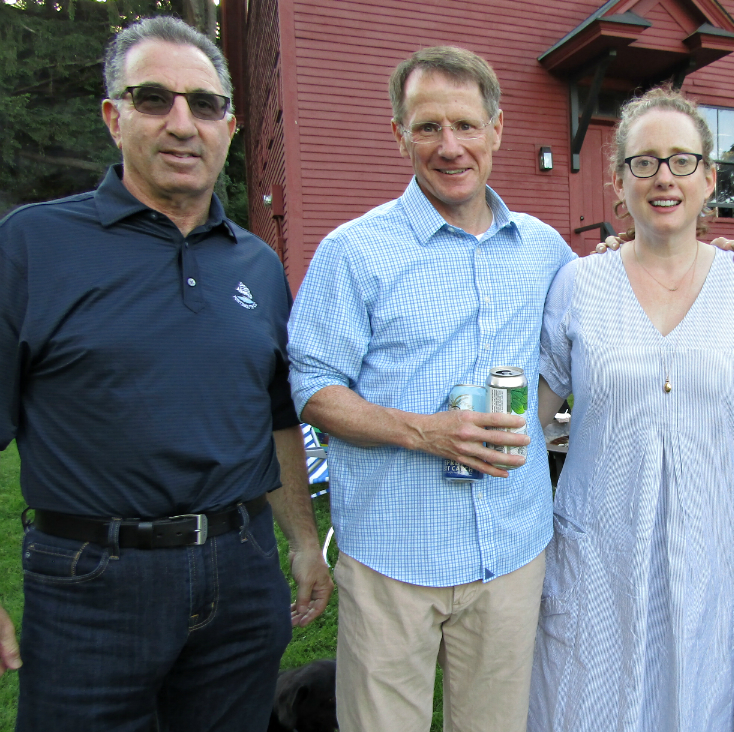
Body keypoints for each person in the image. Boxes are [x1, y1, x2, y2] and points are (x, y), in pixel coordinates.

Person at [0, 16, 331, 731]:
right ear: (113, 117)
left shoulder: (257, 265)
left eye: (204, 104)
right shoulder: (35, 244)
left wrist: (305, 543)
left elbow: (276, 419)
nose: (183, 123)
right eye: (154, 99)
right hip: (92, 580)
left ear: (231, 126)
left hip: (240, 574)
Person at [286, 47, 573, 732]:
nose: (450, 147)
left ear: (497, 129)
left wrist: (728, 258)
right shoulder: (355, 252)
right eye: (427, 127)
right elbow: (313, 388)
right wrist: (425, 431)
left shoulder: (543, 250)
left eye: (467, 126)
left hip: (510, 550)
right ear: (399, 133)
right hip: (394, 554)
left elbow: (608, 315)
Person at [528, 86, 734, 732]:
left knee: (697, 699)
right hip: (597, 551)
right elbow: (532, 415)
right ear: (618, 182)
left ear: (709, 179)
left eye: (681, 160)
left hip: (709, 553)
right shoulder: (579, 285)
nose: (663, 177)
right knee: (589, 699)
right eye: (644, 162)